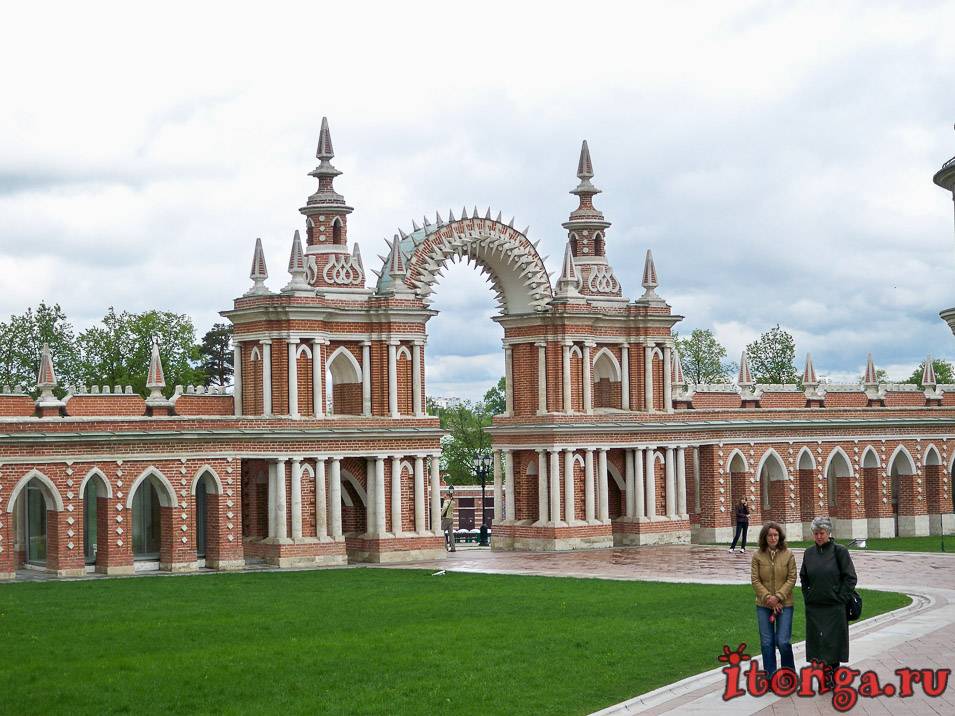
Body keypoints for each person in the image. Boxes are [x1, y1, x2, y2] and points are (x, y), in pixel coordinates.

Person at [799, 516, 857, 688]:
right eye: (816, 533)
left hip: (835, 607)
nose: (818, 536)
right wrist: (808, 595)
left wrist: (840, 597)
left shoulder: (840, 551)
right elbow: (804, 578)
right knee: (818, 643)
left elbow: (850, 577)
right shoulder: (809, 553)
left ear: (829, 533)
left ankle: (835, 677)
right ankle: (824, 677)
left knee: (834, 643)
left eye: (821, 533)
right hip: (815, 606)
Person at [751, 521, 797, 677]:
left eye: (775, 535)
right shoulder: (757, 556)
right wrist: (767, 598)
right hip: (763, 605)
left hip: (785, 604)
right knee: (767, 643)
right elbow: (755, 580)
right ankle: (770, 677)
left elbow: (792, 578)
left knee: (783, 641)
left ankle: (789, 675)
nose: (773, 538)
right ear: (765, 537)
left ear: (780, 536)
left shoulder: (788, 554)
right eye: (770, 535)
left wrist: (778, 597)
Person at [441, 488, 456, 552]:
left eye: (445, 495)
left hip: (446, 518)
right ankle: (453, 548)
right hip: (451, 518)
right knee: (451, 534)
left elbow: (444, 509)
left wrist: (441, 515)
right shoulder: (453, 502)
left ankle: (445, 547)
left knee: (441, 532)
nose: (444, 496)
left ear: (448, 496)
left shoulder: (446, 502)